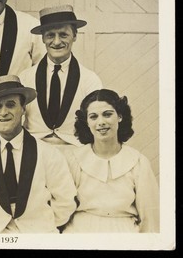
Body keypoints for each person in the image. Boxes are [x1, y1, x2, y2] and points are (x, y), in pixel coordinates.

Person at [0, 75, 77, 233]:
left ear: (23, 109)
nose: (3, 112)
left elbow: (66, 201)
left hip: (36, 235)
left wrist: (42, 226)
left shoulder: (48, 153)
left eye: (10, 105)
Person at [62, 89, 159, 233]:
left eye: (107, 114)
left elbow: (150, 217)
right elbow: (62, 207)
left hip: (125, 232)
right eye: (93, 117)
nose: (101, 122)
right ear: (87, 122)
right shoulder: (74, 159)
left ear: (120, 116)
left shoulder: (138, 162)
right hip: (80, 231)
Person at [18, 4, 103, 149]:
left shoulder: (90, 80)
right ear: (43, 38)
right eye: (50, 35)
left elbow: (96, 124)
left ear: (74, 36)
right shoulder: (25, 78)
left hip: (75, 151)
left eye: (63, 35)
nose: (56, 42)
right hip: (34, 151)